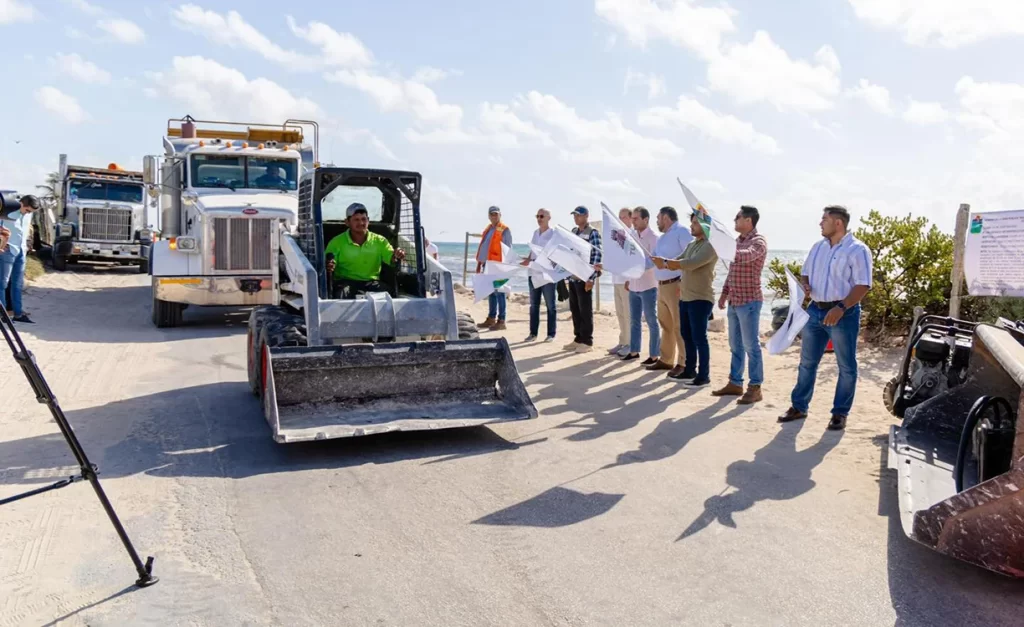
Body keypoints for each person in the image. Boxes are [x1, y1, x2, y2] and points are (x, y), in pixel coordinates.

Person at [778, 205, 872, 431]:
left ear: (838, 223)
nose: (820, 223)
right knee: (807, 363)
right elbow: (805, 272)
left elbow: (864, 284)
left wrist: (841, 307)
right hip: (814, 311)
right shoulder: (818, 247)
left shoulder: (858, 250)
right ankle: (799, 406)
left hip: (844, 314)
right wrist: (806, 285)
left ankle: (840, 413)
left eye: (824, 219)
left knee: (846, 366)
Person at [712, 205, 768, 404]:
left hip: (750, 301)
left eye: (738, 217)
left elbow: (745, 256)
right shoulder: (738, 241)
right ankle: (735, 383)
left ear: (748, 220)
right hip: (735, 301)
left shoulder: (758, 241)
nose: (734, 220)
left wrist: (725, 247)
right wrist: (724, 293)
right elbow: (733, 271)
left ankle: (755, 387)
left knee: (751, 346)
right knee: (735, 345)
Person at [664, 211, 718, 385]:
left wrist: (669, 264)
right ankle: (689, 370)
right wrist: (664, 262)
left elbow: (692, 263)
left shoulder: (710, 245)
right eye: (692, 222)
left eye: (695, 223)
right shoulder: (693, 244)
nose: (691, 226)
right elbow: (679, 259)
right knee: (686, 334)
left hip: (701, 298)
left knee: (699, 337)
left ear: (704, 226)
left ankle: (704, 375)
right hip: (686, 297)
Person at [324, 202, 405, 298]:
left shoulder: (380, 241)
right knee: (341, 294)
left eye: (363, 219)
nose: (361, 223)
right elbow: (328, 263)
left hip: (371, 283)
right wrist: (329, 265)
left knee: (388, 294)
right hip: (345, 282)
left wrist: (396, 255)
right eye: (356, 220)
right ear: (347, 222)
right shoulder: (336, 242)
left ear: (368, 221)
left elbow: (391, 258)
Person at [649, 206, 694, 376]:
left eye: (658, 218)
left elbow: (689, 258)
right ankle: (666, 359)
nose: (657, 221)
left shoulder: (681, 232)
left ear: (666, 218)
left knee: (679, 326)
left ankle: (683, 362)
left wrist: (683, 283)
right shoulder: (662, 238)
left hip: (676, 284)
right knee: (666, 324)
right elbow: (652, 259)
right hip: (661, 285)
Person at [622, 206, 660, 364]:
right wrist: (628, 277)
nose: (633, 221)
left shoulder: (654, 237)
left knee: (651, 320)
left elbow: (655, 260)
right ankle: (634, 351)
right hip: (634, 285)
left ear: (646, 219)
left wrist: (638, 267)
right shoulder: (631, 236)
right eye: (633, 218)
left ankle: (654, 355)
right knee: (634, 320)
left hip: (648, 285)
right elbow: (629, 257)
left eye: (636, 218)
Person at [564, 206, 602, 353]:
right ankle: (578, 338)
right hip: (573, 277)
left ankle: (587, 341)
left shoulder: (593, 233)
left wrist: (591, 278)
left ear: (586, 216)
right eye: (574, 215)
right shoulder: (574, 232)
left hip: (584, 277)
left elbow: (597, 255)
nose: (576, 218)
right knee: (575, 310)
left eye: (578, 215)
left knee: (585, 310)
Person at [0, 195, 40, 323]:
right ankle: (3, 315)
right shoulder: (7, 211)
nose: (28, 213)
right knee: (3, 283)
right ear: (21, 203)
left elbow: (26, 230)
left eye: (30, 212)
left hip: (21, 251)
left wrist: (28, 245)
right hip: (8, 250)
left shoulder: (28, 215)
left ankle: (18, 313)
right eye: (27, 210)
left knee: (17, 284)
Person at [520, 208, 557, 342]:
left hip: (547, 275)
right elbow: (533, 251)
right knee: (534, 305)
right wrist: (527, 260)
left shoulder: (553, 234)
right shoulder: (535, 233)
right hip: (533, 272)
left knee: (550, 305)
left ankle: (551, 334)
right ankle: (533, 333)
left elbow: (555, 254)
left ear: (548, 218)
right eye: (537, 216)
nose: (539, 219)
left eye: (542, 216)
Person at [475, 206, 513, 331]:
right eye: (492, 214)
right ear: (489, 216)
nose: (494, 216)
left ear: (500, 215)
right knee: (490, 292)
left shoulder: (504, 230)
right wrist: (481, 262)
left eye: (496, 214)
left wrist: (504, 267)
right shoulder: (489, 229)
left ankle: (501, 320)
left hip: (498, 266)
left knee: (500, 292)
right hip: (488, 265)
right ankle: (491, 318)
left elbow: (508, 249)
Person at [608, 207, 635, 356]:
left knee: (628, 313)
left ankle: (630, 344)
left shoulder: (633, 236)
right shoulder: (617, 236)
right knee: (619, 313)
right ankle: (622, 341)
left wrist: (631, 279)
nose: (621, 220)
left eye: (624, 217)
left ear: (631, 218)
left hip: (627, 281)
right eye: (620, 217)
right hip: (616, 279)